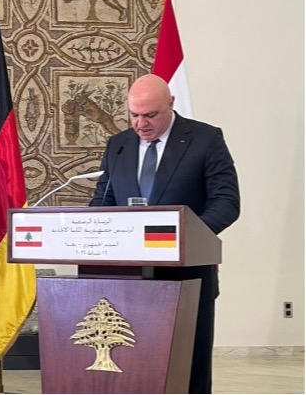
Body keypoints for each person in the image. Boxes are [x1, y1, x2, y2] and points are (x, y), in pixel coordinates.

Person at [90, 74, 240, 394]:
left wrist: (186, 238)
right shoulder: (118, 145)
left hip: (187, 275)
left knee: (188, 366)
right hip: (126, 277)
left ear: (171, 104)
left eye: (150, 115)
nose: (140, 123)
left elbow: (227, 202)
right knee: (134, 364)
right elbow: (103, 201)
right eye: (134, 114)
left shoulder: (204, 139)